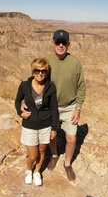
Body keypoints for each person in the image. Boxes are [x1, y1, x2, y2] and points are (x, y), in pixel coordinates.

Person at [22, 30, 86, 181]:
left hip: (70, 106)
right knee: (52, 135)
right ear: (52, 43)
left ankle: (68, 164)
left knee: (71, 138)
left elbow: (81, 86)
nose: (61, 45)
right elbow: (36, 80)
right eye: (58, 42)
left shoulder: (75, 63)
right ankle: (55, 155)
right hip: (51, 107)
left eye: (64, 43)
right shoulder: (47, 62)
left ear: (68, 44)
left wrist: (78, 108)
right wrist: (25, 100)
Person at [15, 57, 58, 186]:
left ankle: (37, 172)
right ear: (32, 71)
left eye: (43, 71)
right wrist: (20, 112)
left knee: (42, 151)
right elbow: (17, 101)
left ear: (47, 72)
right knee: (33, 156)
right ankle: (29, 170)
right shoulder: (24, 86)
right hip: (30, 125)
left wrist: (54, 128)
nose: (40, 73)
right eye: (37, 70)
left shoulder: (50, 87)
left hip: (45, 124)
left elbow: (54, 108)